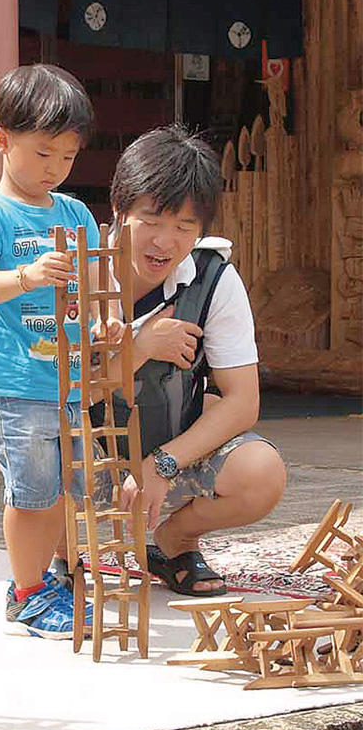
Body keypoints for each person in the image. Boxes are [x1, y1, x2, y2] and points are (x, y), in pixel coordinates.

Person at [0, 63, 117, 639]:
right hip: (15, 382)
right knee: (34, 493)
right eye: (44, 153)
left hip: (68, 383)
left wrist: (108, 320)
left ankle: (57, 577)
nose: (55, 167)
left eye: (67, 156)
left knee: (77, 485)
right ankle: (27, 593)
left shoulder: (75, 214)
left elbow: (98, 285)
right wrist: (27, 275)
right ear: (3, 140)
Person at [110, 125, 286, 595]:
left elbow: (242, 402)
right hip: (88, 455)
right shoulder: (77, 269)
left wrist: (162, 464)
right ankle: (56, 560)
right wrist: (140, 347)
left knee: (261, 472)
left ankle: (178, 540)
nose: (165, 242)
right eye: (152, 219)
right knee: (36, 450)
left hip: (173, 450)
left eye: (184, 227)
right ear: (119, 210)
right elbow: (53, 386)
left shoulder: (215, 279)